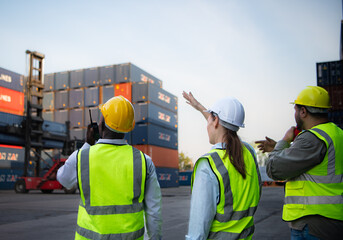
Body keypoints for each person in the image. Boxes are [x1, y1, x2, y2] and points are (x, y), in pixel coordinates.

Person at [57, 96, 162, 240]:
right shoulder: (144, 160)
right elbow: (154, 211)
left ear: (101, 123)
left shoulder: (82, 156)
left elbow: (63, 179)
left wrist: (87, 144)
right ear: (129, 127)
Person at [257, 86, 343, 240]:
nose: (295, 114)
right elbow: (314, 162)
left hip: (313, 223)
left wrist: (284, 141)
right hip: (332, 219)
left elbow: (273, 169)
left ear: (303, 111)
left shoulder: (311, 138)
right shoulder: (336, 133)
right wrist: (280, 148)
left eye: (296, 109)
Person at [183, 91, 262, 240]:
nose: (207, 126)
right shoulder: (249, 153)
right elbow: (226, 128)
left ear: (216, 121)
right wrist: (200, 107)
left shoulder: (208, 165)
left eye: (210, 120)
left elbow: (197, 232)